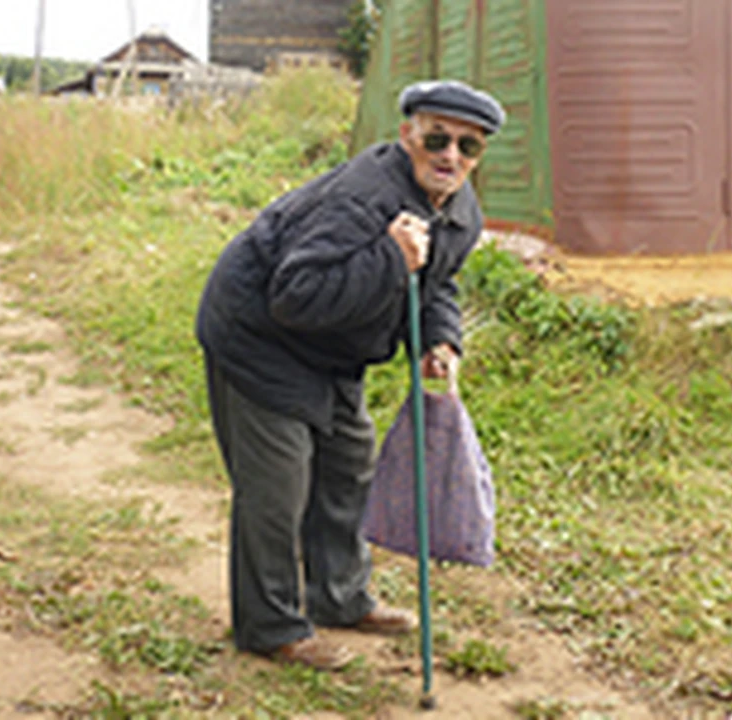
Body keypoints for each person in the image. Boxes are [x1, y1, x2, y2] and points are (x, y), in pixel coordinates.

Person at [195, 80, 506, 670]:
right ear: (406, 135)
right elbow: (297, 296)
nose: (452, 156)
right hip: (261, 336)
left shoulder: (460, 212)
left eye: (470, 147)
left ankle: (339, 596)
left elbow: (437, 282)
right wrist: (389, 257)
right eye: (437, 138)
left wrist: (439, 337)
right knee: (277, 488)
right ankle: (271, 627)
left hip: (335, 348)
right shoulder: (361, 201)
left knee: (348, 463)